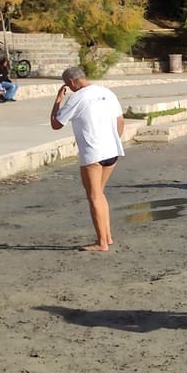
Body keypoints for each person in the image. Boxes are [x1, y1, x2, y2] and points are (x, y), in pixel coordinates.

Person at [50, 66, 125, 252]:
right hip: (112, 151)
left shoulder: (76, 98)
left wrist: (58, 100)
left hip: (93, 153)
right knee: (99, 193)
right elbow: (120, 120)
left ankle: (102, 242)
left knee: (94, 196)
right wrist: (113, 141)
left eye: (68, 85)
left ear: (71, 82)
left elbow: (56, 124)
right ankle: (107, 236)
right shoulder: (107, 92)